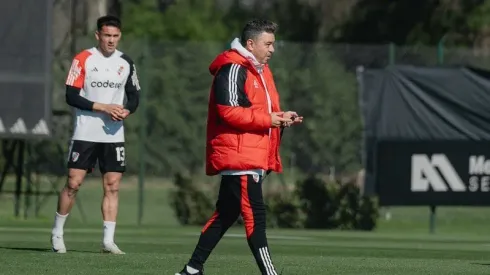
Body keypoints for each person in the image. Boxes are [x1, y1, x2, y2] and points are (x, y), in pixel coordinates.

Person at [176, 19, 303, 275]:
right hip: (240, 156)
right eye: (268, 44)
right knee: (255, 217)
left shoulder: (262, 70)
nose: (272, 49)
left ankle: (191, 269)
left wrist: (280, 117)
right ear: (250, 43)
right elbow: (229, 112)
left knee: (225, 214)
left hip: (252, 153)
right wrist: (270, 119)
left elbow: (261, 111)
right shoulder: (233, 68)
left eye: (273, 44)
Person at [50, 15, 140, 254]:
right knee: (73, 183)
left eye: (115, 36)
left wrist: (125, 111)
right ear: (97, 35)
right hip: (85, 132)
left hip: (113, 135)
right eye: (107, 36)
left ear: (119, 36)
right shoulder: (83, 59)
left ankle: (108, 241)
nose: (111, 41)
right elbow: (71, 96)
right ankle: (57, 233)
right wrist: (103, 107)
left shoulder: (126, 62)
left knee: (112, 186)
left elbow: (134, 97)